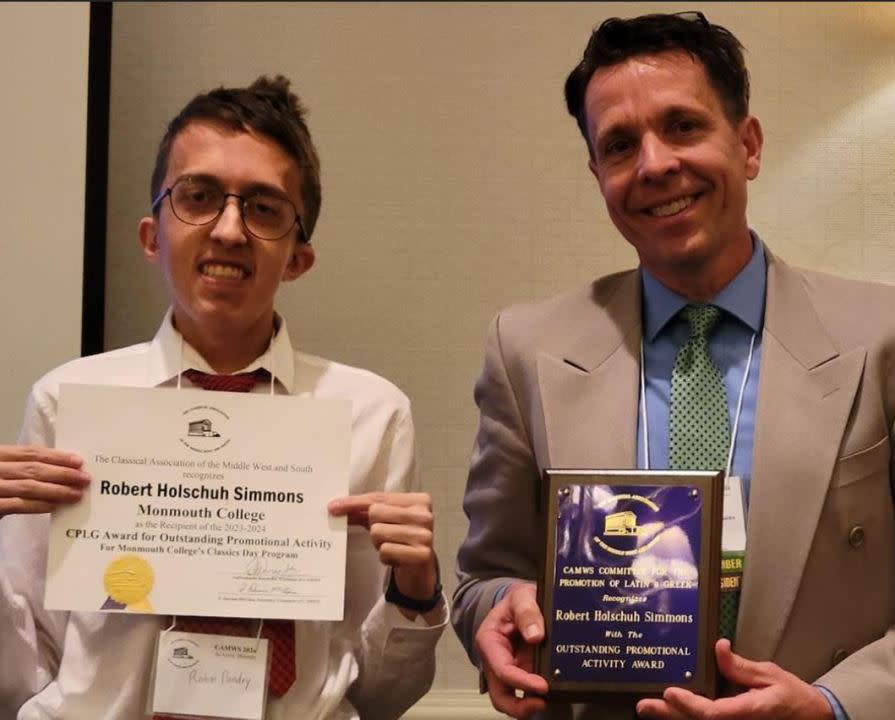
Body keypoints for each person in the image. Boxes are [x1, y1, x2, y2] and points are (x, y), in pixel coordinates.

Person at [452, 11, 895, 720]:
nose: (655, 164)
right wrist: (500, 616)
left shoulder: (881, 336)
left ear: (746, 144)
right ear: (598, 174)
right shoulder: (525, 350)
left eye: (682, 126)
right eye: (620, 145)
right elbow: (485, 574)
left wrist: (834, 704)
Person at [0, 74, 446, 719]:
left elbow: (378, 695)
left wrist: (416, 591)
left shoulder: (372, 416)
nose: (230, 229)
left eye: (263, 207)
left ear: (298, 258)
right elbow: (22, 675)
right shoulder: (65, 401)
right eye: (200, 196)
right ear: (152, 235)